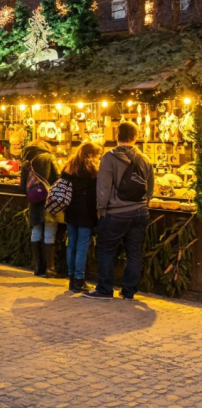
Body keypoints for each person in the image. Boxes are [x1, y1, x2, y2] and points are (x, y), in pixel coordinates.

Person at [86, 122, 154, 300]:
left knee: (106, 250)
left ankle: (105, 290)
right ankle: (129, 291)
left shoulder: (109, 158)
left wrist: (102, 209)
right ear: (135, 136)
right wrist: (144, 203)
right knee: (134, 252)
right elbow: (150, 187)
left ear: (117, 135)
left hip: (116, 212)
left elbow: (103, 187)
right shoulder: (145, 159)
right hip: (140, 212)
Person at [60, 141, 101, 293]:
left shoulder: (69, 166)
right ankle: (79, 280)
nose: (98, 158)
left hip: (70, 210)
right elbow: (96, 192)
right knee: (82, 246)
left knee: (72, 244)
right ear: (90, 154)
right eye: (97, 155)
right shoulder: (92, 170)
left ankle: (72, 279)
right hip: (86, 212)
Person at [21, 138, 60, 278]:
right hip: (49, 200)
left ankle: (38, 267)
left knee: (36, 230)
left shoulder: (26, 162)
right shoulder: (49, 157)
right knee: (49, 231)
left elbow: (22, 186)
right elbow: (59, 177)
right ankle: (50, 268)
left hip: (34, 201)